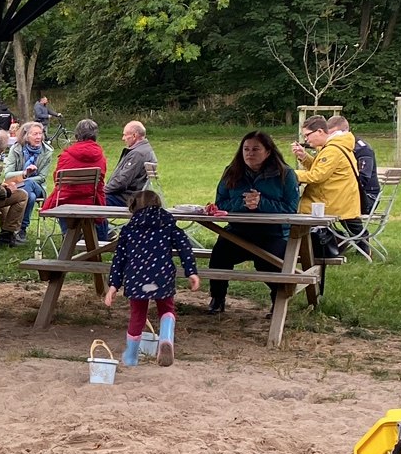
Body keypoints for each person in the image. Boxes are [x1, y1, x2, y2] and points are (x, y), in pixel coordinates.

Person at [207, 131, 299, 315]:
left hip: (273, 232)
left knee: (269, 263)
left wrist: (261, 203)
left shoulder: (285, 174)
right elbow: (220, 203)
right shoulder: (231, 171)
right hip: (239, 230)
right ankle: (218, 298)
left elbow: (291, 208)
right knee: (219, 255)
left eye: (256, 149)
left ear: (268, 152)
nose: (250, 153)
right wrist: (242, 203)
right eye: (246, 149)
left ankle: (278, 301)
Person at [104, 189, 198, 368]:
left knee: (137, 315)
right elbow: (185, 247)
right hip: (162, 275)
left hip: (136, 278)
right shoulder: (168, 225)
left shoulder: (128, 230)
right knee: (167, 309)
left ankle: (131, 356)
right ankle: (166, 338)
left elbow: (119, 258)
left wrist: (113, 285)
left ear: (133, 208)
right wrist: (191, 271)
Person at [291, 115, 362, 257]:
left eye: (307, 135)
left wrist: (289, 174)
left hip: (332, 200)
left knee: (296, 218)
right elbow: (321, 169)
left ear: (319, 131)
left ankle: (298, 250)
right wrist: (304, 157)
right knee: (355, 229)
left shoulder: (331, 150)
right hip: (342, 198)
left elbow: (317, 176)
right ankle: (339, 244)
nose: (306, 139)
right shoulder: (333, 146)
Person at [43, 118, 110, 241]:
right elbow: (101, 182)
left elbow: (57, 180)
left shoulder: (66, 155)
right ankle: (96, 239)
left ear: (77, 134)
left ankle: (69, 237)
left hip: (66, 201)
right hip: (91, 201)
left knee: (63, 199)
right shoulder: (100, 156)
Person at [3, 121, 57, 243]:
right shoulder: (15, 149)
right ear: (26, 136)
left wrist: (26, 179)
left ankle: (15, 229)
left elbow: (42, 177)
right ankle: (22, 229)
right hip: (17, 186)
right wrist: (24, 174)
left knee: (29, 186)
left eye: (40, 134)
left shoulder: (47, 151)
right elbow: (7, 175)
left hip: (38, 187)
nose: (39, 137)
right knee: (30, 196)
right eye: (35, 134)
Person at [104, 121, 155, 206]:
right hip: (131, 196)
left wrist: (103, 190)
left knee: (93, 200)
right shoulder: (145, 150)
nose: (123, 138)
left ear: (134, 136)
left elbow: (122, 182)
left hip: (126, 198)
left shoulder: (138, 154)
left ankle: (101, 220)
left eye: (125, 135)